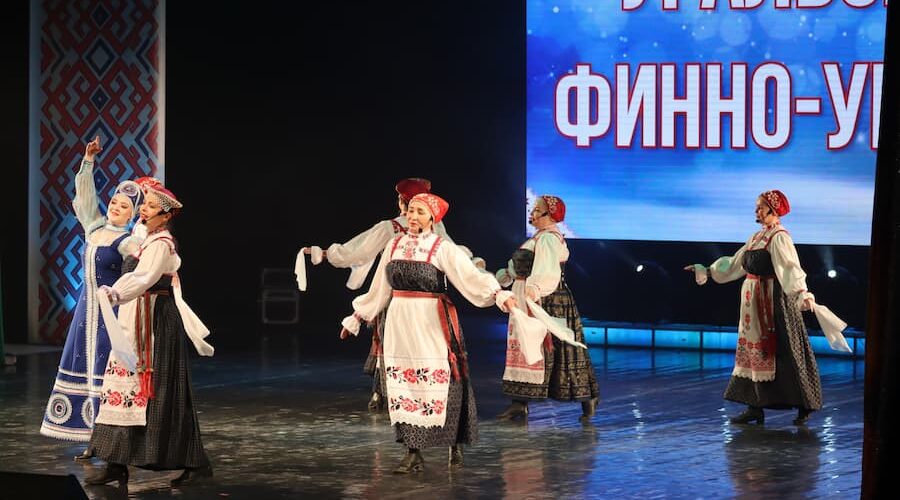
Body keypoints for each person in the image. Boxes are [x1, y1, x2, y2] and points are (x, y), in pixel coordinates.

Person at [339, 193, 516, 473]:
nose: (412, 216)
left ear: (433, 218)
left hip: (431, 320)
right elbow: (380, 288)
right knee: (403, 383)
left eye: (420, 212)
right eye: (411, 210)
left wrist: (497, 294)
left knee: (441, 379)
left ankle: (454, 442)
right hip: (399, 321)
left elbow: (469, 276)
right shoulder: (394, 245)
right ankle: (413, 452)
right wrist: (359, 316)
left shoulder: (441, 248)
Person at [297, 178, 474, 412]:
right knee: (410, 343)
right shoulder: (433, 229)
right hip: (420, 298)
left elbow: (358, 251)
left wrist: (325, 254)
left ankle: (392, 394)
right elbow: (459, 258)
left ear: (402, 201)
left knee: (390, 341)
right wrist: (476, 265)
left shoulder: (392, 228)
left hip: (398, 296)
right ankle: (399, 394)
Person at [86, 178, 214, 487]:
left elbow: (143, 277)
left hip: (155, 320)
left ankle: (193, 462)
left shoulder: (162, 244)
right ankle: (115, 462)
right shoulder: (145, 236)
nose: (143, 209)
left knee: (162, 390)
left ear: (166, 215)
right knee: (120, 387)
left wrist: (115, 293)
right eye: (144, 204)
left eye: (152, 206)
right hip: (134, 316)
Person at [40, 136, 143, 454]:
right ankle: (88, 437)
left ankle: (108, 439)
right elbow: (86, 198)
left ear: (132, 215)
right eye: (114, 202)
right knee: (83, 369)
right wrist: (88, 161)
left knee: (104, 374)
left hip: (110, 315)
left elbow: (144, 265)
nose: (115, 207)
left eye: (124, 206)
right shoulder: (95, 228)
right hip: (85, 312)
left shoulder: (127, 241)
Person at [684, 190, 822, 425]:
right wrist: (707, 271)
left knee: (782, 349)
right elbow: (735, 263)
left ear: (773, 210)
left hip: (773, 301)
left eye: (761, 207)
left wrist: (802, 293)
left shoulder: (779, 237)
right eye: (756, 206)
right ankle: (754, 407)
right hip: (752, 302)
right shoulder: (756, 237)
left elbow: (790, 267)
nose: (756, 210)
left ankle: (804, 404)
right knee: (752, 350)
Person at [495, 195, 599, 423]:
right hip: (525, 294)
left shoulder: (549, 239)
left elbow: (548, 270)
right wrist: (505, 278)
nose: (532, 213)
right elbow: (520, 267)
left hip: (546, 298)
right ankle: (519, 403)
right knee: (524, 346)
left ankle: (587, 397)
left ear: (550, 215)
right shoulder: (537, 237)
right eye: (532, 209)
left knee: (560, 350)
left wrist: (534, 290)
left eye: (536, 210)